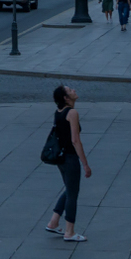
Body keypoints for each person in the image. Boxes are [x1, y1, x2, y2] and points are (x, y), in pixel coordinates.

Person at [45, 85, 91, 242]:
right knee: (72, 194)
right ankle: (69, 232)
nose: (74, 90)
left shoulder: (59, 112)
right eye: (70, 90)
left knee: (70, 189)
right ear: (66, 98)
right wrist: (85, 164)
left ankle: (53, 222)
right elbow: (75, 140)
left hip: (61, 158)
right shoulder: (72, 113)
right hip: (70, 158)